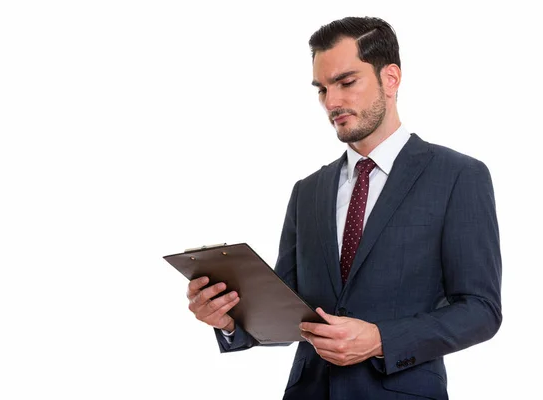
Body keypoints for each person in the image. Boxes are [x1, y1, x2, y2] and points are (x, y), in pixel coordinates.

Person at [186, 16, 502, 400]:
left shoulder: (457, 176)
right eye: (322, 89)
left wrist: (379, 339)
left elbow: (481, 310)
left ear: (390, 78)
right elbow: (287, 312)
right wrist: (229, 320)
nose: (332, 102)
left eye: (346, 82)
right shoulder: (307, 191)